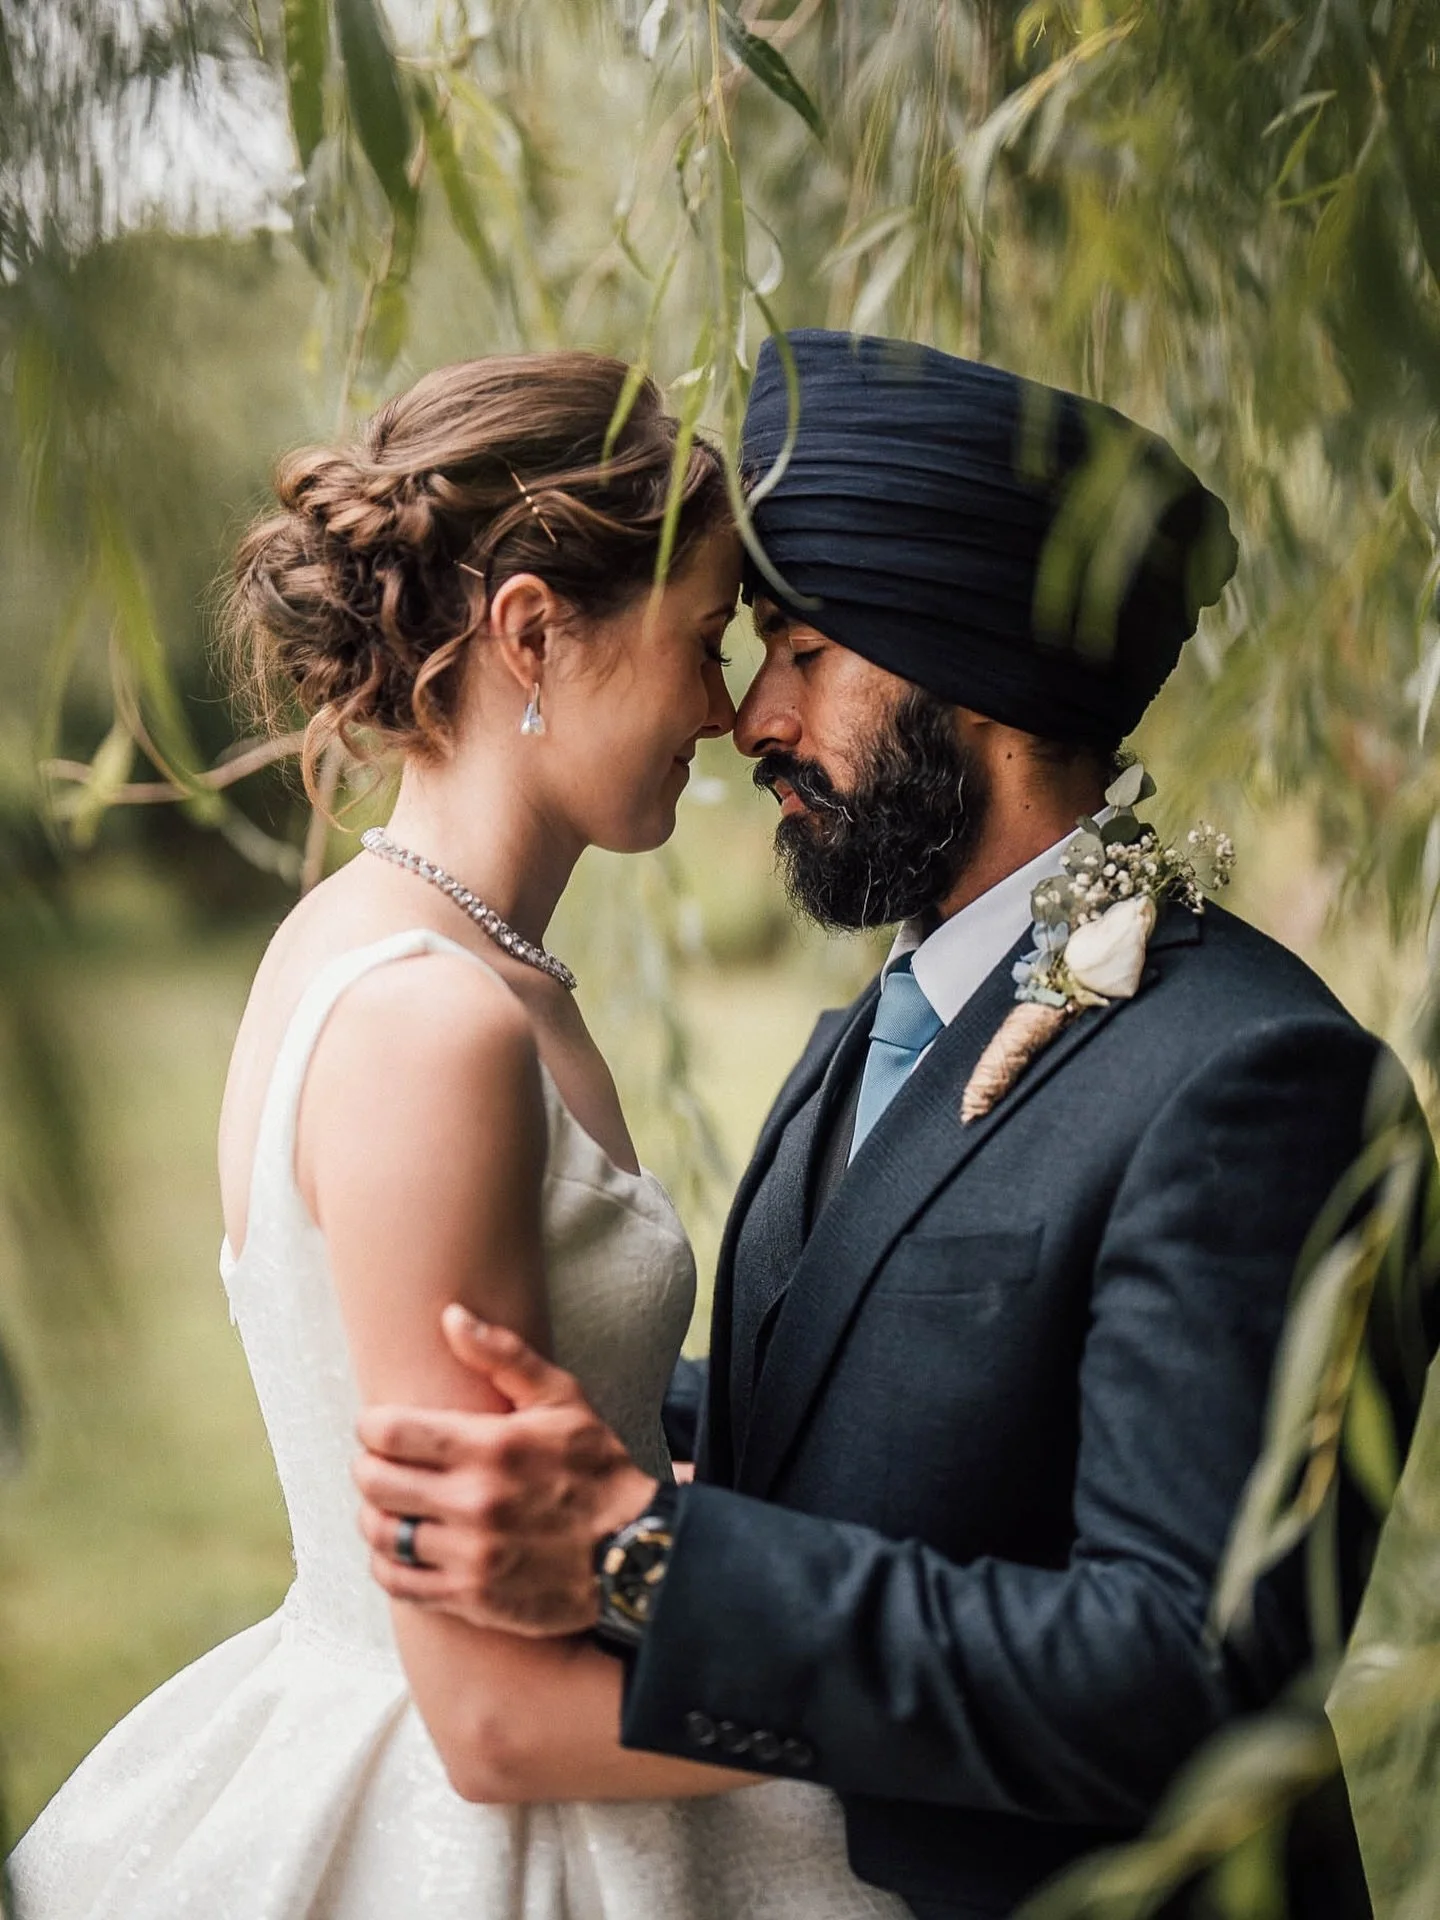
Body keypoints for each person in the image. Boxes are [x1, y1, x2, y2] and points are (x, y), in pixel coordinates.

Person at [352, 332, 1433, 1920]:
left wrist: (645, 1553)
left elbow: (1186, 1676)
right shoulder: (885, 1025)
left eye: (801, 653)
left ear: (966, 675)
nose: (750, 720)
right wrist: (587, 1391)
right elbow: (879, 1399)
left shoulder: (1264, 1083)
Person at [7, 353, 905, 1918]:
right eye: (702, 641)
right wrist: (917, 1718)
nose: (725, 710)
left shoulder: (435, 956)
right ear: (532, 631)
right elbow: (492, 1713)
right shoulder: (431, 1024)